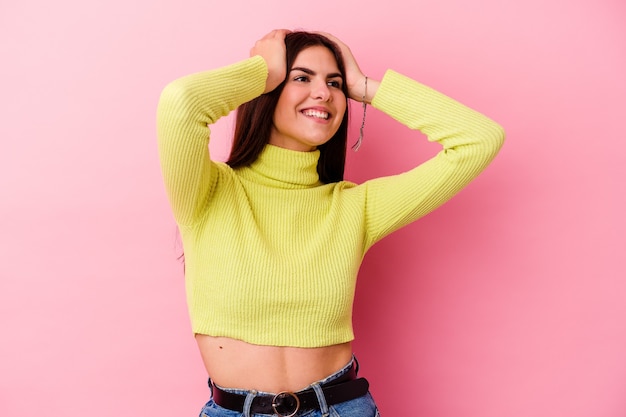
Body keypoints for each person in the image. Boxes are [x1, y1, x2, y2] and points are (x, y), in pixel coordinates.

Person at [157, 29, 504, 417]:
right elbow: (181, 103)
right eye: (301, 77)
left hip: (340, 408)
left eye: (334, 83)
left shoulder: (356, 207)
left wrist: (365, 86)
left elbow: (479, 140)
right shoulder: (207, 192)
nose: (323, 93)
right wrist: (263, 72)